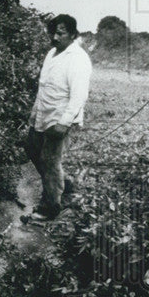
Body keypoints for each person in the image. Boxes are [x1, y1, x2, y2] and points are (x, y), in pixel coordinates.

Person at [25, 13, 92, 221]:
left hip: (60, 117)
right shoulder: (52, 53)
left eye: (61, 33)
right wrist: (34, 114)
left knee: (49, 160)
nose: (55, 37)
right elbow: (44, 87)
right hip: (43, 113)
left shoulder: (78, 58)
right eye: (53, 32)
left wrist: (64, 122)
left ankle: (50, 208)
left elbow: (79, 94)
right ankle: (65, 187)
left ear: (72, 34)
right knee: (31, 147)